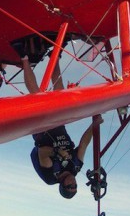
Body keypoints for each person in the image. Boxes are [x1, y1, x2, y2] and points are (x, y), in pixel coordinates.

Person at [22, 54, 103, 199]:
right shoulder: (76, 167)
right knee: (61, 93)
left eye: (70, 186)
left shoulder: (51, 175)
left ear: (62, 185)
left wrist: (57, 152)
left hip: (43, 129)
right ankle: (54, 57)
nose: (73, 183)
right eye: (75, 186)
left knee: (37, 95)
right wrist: (94, 125)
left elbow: (42, 153)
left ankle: (24, 57)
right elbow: (83, 144)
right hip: (59, 126)